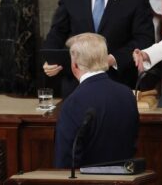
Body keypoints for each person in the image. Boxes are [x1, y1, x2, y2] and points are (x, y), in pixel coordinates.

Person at [43, 0, 154, 98]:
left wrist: (113, 59)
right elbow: (58, 30)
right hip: (75, 81)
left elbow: (144, 39)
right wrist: (50, 58)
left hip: (117, 81)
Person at [54, 32, 139, 168]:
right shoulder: (127, 94)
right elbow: (132, 144)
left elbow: (65, 160)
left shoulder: (73, 102)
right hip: (124, 178)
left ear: (74, 65)